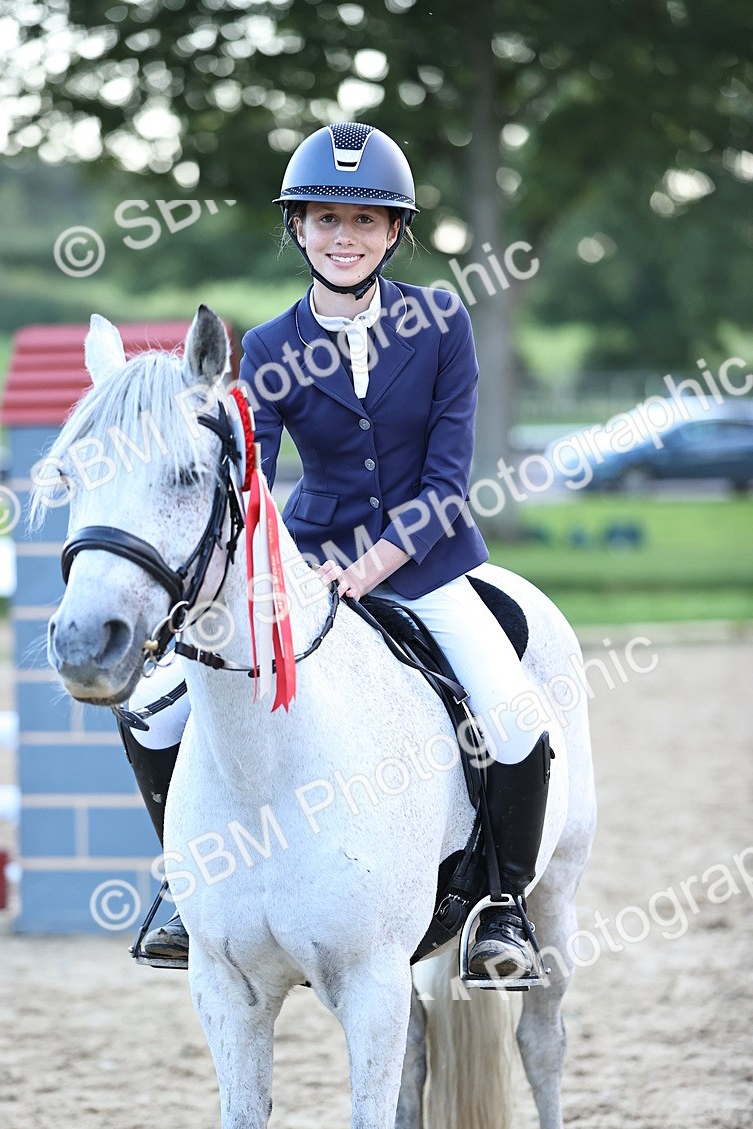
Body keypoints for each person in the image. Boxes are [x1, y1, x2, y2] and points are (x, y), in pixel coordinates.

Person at [120, 122, 551, 979]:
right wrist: (283, 570)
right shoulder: (271, 348)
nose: (343, 237)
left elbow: (446, 478)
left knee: (515, 714)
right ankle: (183, 882)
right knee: (156, 705)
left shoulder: (439, 322)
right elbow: (256, 479)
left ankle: (501, 908)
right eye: (324, 220)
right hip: (310, 562)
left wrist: (372, 568)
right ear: (298, 230)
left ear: (395, 233)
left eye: (364, 221)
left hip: (428, 563)